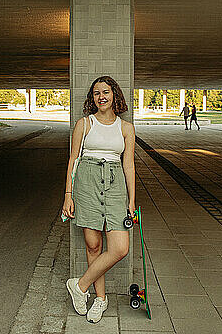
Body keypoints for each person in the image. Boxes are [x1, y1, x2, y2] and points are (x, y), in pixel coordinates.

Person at [63, 75, 136, 324]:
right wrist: (68, 195)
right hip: (88, 184)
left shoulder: (126, 128)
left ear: (114, 94)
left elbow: (129, 166)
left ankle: (80, 286)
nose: (101, 97)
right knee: (93, 246)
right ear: (92, 98)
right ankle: (100, 299)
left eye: (106, 92)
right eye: (96, 93)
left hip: (115, 187)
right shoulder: (84, 124)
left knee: (120, 248)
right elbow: (73, 161)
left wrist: (131, 201)